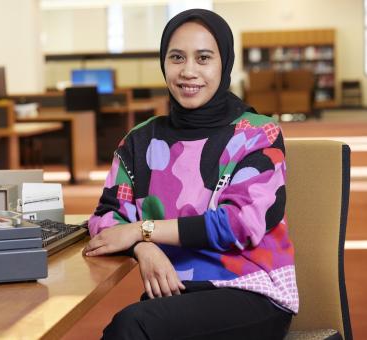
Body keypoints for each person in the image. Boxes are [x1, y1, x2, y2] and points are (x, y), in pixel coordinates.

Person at [83, 8, 298, 340]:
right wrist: (143, 246)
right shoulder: (139, 141)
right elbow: (105, 219)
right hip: (177, 294)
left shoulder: (257, 134)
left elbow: (241, 224)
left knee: (131, 326)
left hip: (250, 290)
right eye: (177, 57)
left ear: (223, 63)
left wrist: (144, 229)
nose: (188, 71)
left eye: (203, 58)